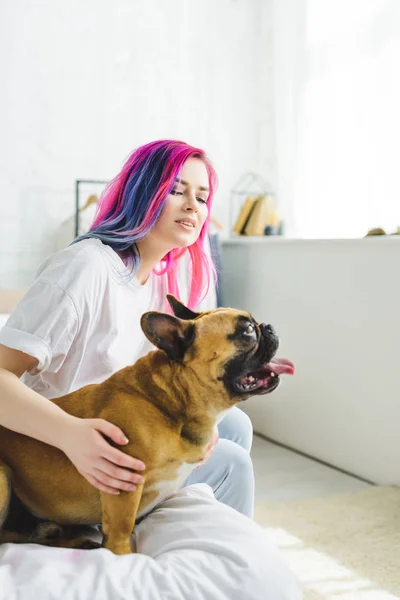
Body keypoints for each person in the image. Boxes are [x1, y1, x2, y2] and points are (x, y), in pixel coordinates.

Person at [0, 140, 254, 518]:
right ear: (142, 194)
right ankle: (227, 572)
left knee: (234, 424)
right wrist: (70, 434)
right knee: (232, 464)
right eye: (176, 190)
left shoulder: (161, 281)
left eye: (202, 198)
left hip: (121, 424)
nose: (192, 206)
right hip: (52, 449)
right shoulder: (85, 267)